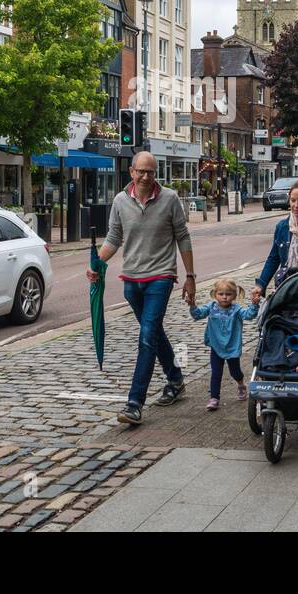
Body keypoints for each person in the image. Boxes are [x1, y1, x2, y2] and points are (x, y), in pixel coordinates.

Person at [87, 151, 196, 426]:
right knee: (154, 331)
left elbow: (183, 237)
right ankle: (175, 378)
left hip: (161, 276)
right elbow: (114, 237)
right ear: (132, 173)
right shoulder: (121, 201)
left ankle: (135, 403)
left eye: (151, 171)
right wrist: (98, 264)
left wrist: (190, 275)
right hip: (131, 280)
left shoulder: (170, 199)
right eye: (142, 171)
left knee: (147, 336)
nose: (147, 176)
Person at [188, 277, 260, 410]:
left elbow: (249, 315)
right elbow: (198, 314)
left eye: (228, 294)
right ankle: (214, 398)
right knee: (216, 372)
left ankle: (241, 384)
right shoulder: (211, 307)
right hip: (216, 346)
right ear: (215, 294)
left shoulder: (236, 309)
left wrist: (254, 304)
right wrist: (192, 305)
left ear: (234, 295)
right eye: (221, 294)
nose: (224, 297)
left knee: (235, 372)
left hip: (232, 346)